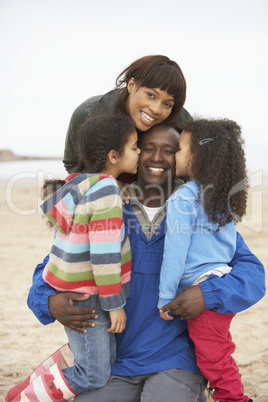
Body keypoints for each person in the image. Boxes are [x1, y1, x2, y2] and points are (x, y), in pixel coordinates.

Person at [21, 124, 265, 402]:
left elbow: (253, 274)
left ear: (188, 157)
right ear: (133, 154)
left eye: (171, 150)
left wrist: (207, 294)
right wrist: (49, 302)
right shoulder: (106, 207)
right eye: (147, 148)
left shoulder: (201, 212)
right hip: (115, 362)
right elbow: (53, 267)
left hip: (177, 361)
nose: (157, 157)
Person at [5, 115, 140, 401]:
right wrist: (114, 304)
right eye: (135, 147)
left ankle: (31, 383)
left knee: (103, 359)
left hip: (75, 288)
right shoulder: (106, 190)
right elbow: (103, 254)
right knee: (93, 373)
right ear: (114, 156)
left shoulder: (80, 186)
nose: (139, 153)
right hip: (90, 296)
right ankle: (26, 396)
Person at [158, 118, 253, 402]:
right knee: (219, 351)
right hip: (220, 285)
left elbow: (175, 254)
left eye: (179, 148)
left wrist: (165, 295)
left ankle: (233, 399)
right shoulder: (221, 197)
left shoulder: (182, 200)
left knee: (215, 358)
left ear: (199, 156)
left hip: (201, 291)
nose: (173, 155)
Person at [62, 54, 191, 175]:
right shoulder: (88, 114)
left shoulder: (181, 123)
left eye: (167, 104)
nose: (156, 109)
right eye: (150, 95)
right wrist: (106, 182)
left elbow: (191, 170)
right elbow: (72, 164)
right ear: (131, 85)